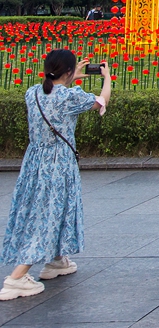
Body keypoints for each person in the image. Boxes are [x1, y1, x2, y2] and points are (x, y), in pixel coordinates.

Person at [0, 50, 111, 301]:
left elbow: (52, 92)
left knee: (46, 209)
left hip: (33, 161)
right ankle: (17, 277)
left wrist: (70, 76)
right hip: (58, 163)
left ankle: (57, 260)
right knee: (48, 212)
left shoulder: (33, 93)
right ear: (69, 72)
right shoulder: (70, 96)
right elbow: (101, 101)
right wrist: (107, 78)